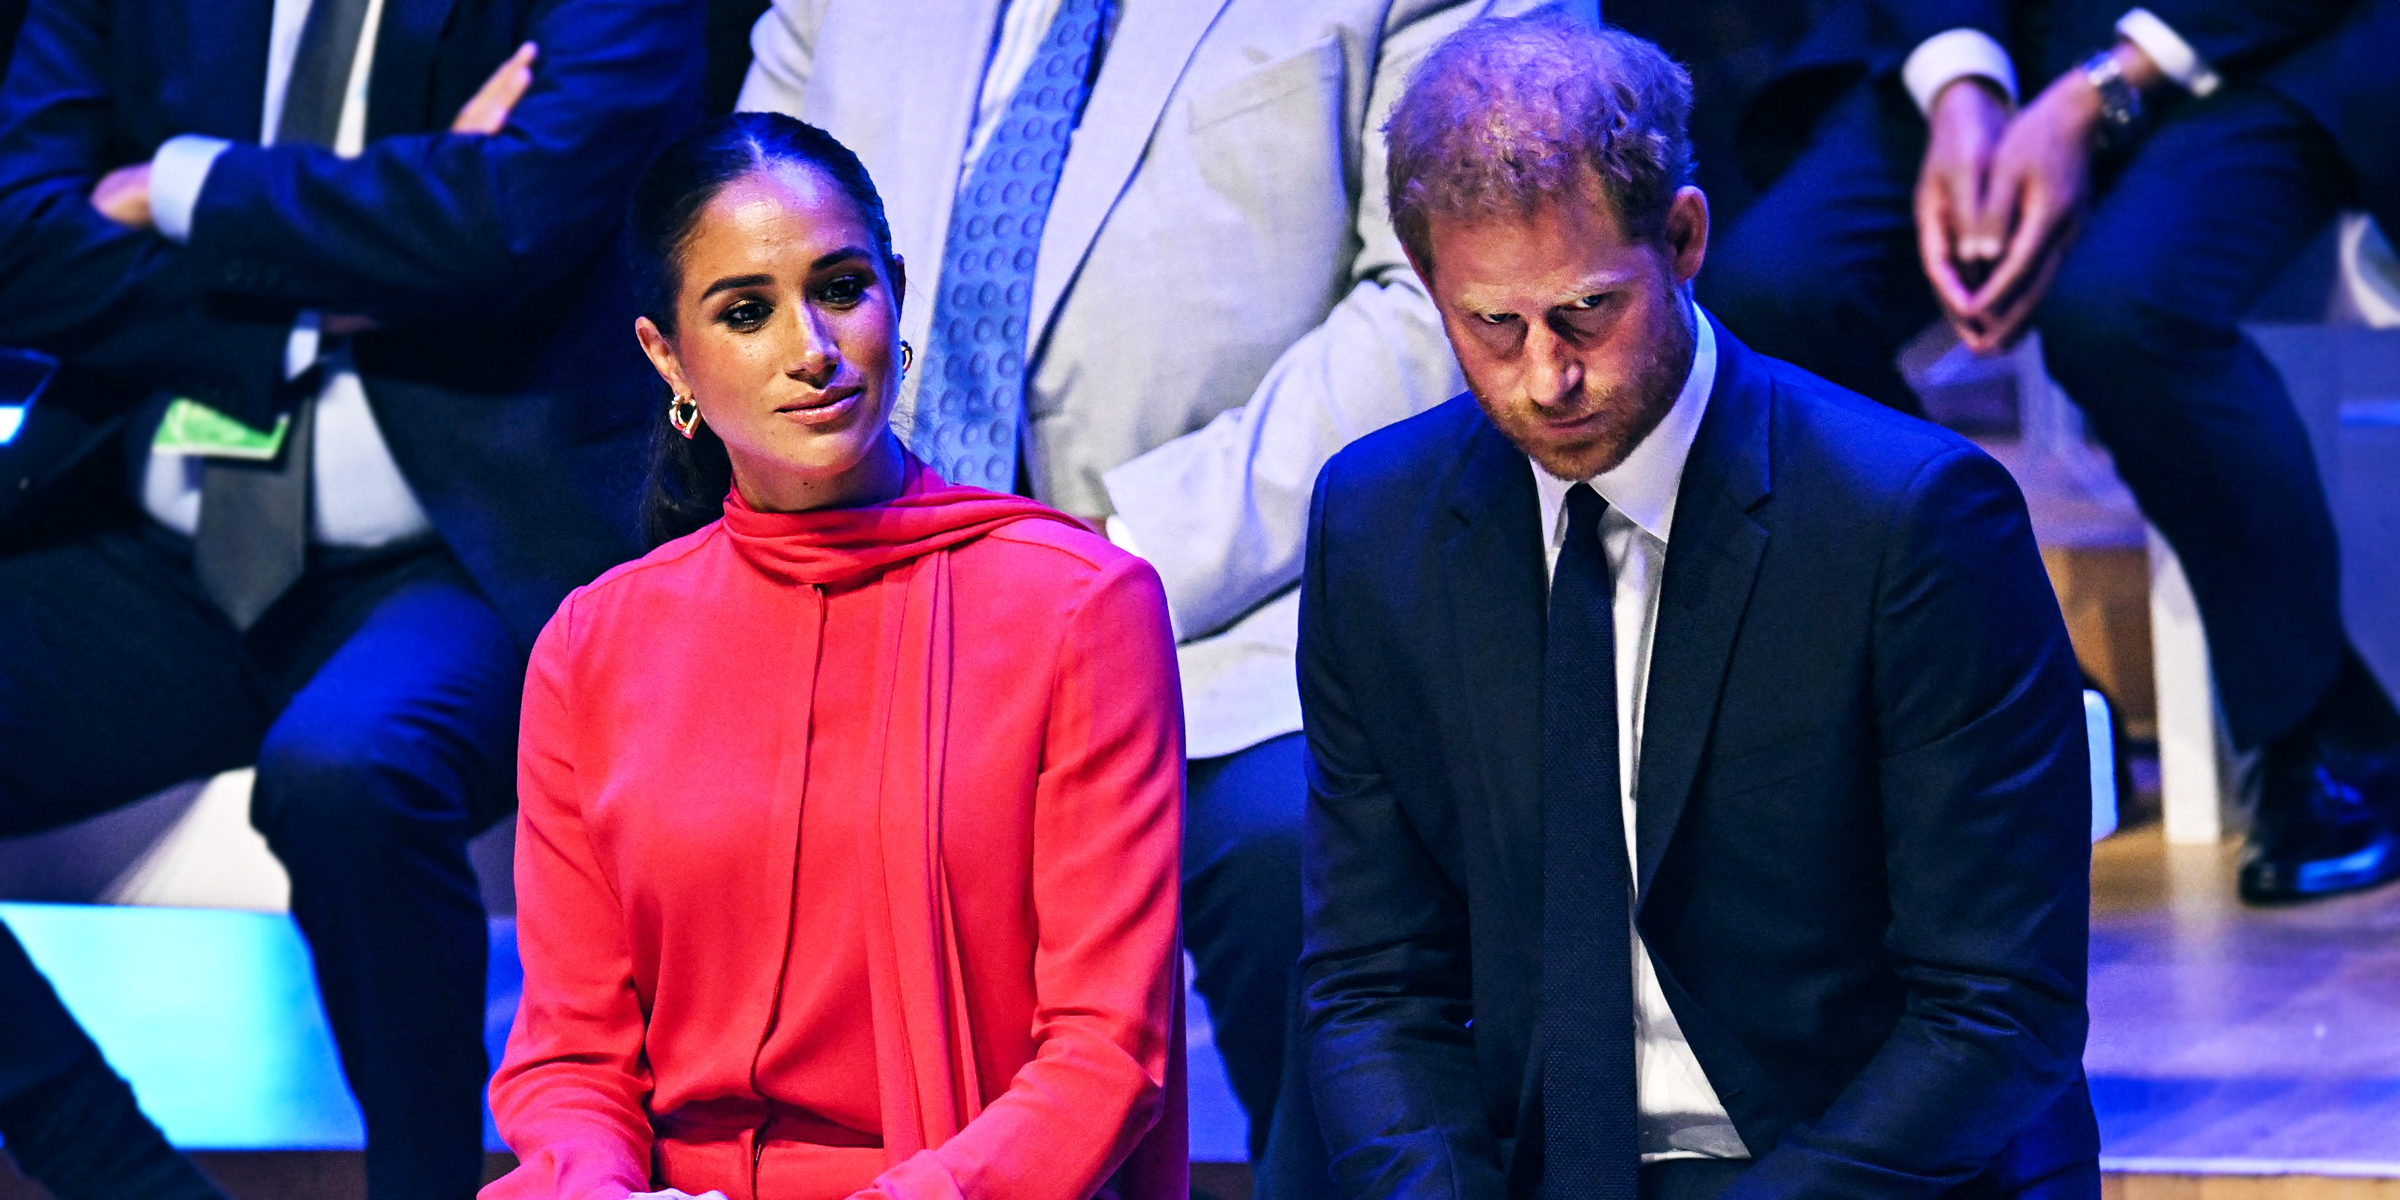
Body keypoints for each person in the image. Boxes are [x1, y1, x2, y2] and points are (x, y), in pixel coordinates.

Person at [734, 1, 1569, 1188]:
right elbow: (742, 258)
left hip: (1247, 598)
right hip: (878, 587)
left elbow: (1438, 301)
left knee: (1299, 850)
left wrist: (1111, 559)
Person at [1299, 16, 2100, 1200]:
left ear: (1681, 239)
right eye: (1492, 326)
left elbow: (1995, 1015)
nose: (1547, 376)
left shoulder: (1913, 521)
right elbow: (1373, 986)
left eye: (1585, 312)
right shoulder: (1375, 526)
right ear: (1430, 287)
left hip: (1866, 1176)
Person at [0, 0, 703, 1194]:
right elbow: (16, 241)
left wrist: (181, 185)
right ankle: (128, 1183)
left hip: (457, 548)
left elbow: (508, 218)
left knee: (353, 774)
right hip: (162, 537)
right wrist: (352, 273)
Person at [481, 112, 1186, 1200]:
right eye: (747, 313)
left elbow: (1106, 1052)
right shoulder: (593, 645)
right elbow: (571, 1058)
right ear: (665, 356)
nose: (811, 349)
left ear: (896, 294)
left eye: (843, 288)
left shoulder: (1079, 608)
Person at [1699, 0, 2400, 901]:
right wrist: (1962, 87)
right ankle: (2004, 680)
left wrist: (2094, 93)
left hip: (2265, 43)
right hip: (1998, 35)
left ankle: (2325, 728)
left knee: (2119, 312)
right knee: (1776, 292)